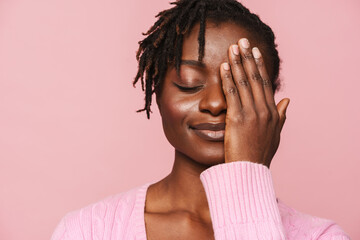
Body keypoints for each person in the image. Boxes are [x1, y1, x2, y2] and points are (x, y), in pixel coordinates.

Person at [51, 0, 350, 239]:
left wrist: (244, 176)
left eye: (240, 85)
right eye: (190, 84)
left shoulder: (321, 236)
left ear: (270, 103)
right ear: (157, 91)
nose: (216, 103)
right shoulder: (87, 231)